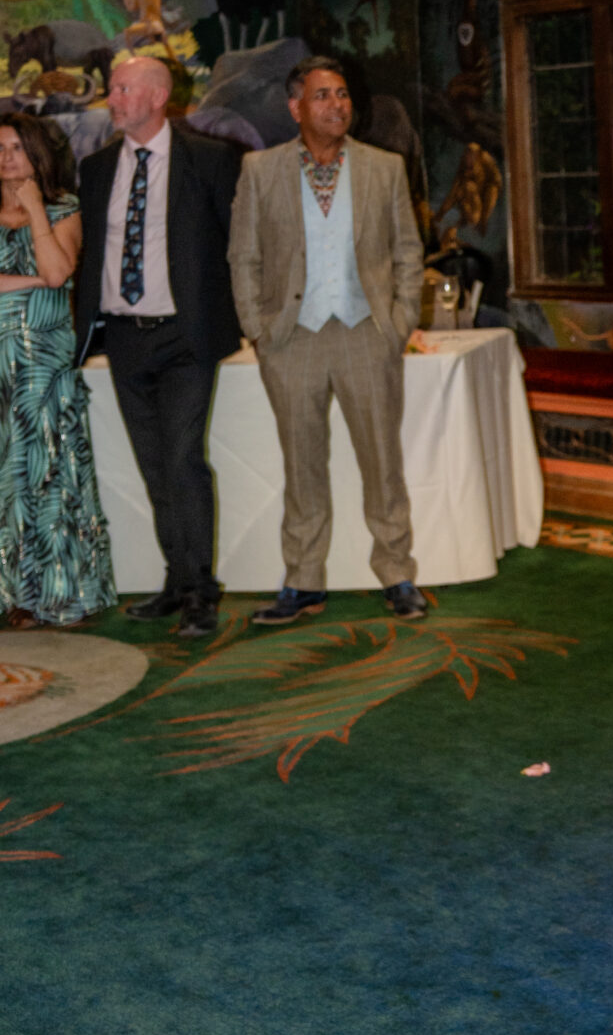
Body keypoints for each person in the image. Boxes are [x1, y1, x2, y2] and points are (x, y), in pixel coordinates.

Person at [228, 56, 427, 630]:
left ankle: (397, 574)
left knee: (382, 463)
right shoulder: (260, 169)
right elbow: (243, 254)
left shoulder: (383, 167)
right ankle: (302, 581)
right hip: (292, 339)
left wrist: (400, 320)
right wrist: (257, 328)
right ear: (296, 107)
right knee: (302, 467)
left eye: (342, 94)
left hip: (367, 333)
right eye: (323, 96)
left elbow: (408, 250)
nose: (337, 104)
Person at [73, 49, 243, 641]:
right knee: (154, 468)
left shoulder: (210, 161)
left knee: (181, 460)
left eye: (120, 90)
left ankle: (200, 591)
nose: (111, 99)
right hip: (124, 338)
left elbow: (237, 247)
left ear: (153, 96)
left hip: (184, 338)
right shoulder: (95, 171)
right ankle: (177, 579)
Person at [0, 111, 113, 627]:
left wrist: (35, 214)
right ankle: (17, 596)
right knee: (7, 479)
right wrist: (33, 283)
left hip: (44, 366)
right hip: (1, 367)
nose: (6, 158)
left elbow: (57, 270)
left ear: (37, 154)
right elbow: (42, 281)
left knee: (49, 473)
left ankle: (61, 591)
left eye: (16, 148)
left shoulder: (65, 208)